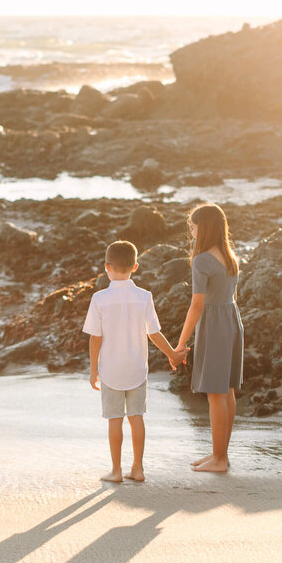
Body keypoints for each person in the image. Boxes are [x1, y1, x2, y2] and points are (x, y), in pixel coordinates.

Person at [83, 240, 189, 483]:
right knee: (137, 417)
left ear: (106, 267)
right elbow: (154, 333)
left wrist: (93, 370)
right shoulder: (144, 296)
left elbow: (94, 339)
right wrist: (172, 353)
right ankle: (138, 468)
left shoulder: (99, 299)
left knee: (114, 420)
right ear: (135, 267)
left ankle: (116, 470)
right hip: (137, 370)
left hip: (110, 370)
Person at [175, 204, 244, 473]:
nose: (191, 230)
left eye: (193, 225)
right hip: (231, 319)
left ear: (203, 228)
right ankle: (220, 455)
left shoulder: (202, 260)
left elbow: (197, 306)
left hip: (215, 324)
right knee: (226, 391)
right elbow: (233, 296)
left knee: (215, 393)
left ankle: (219, 459)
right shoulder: (229, 256)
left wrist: (181, 344)